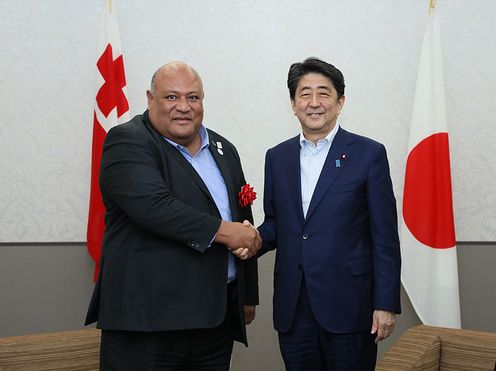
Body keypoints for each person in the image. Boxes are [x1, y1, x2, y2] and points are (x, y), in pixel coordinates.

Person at [85, 61, 261, 370]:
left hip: (215, 323)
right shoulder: (127, 141)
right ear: (150, 99)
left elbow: (241, 218)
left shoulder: (224, 149)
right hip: (149, 324)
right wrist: (228, 233)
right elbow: (155, 208)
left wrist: (247, 295)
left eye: (193, 97)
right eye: (171, 97)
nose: (184, 107)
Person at [257, 57, 401, 371]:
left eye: (324, 93)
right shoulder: (277, 157)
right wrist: (251, 238)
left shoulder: (369, 154)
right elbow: (276, 223)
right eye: (304, 94)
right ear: (293, 104)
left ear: (340, 102)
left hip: (350, 306)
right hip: (294, 307)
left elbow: (385, 237)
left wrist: (385, 304)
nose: (314, 103)